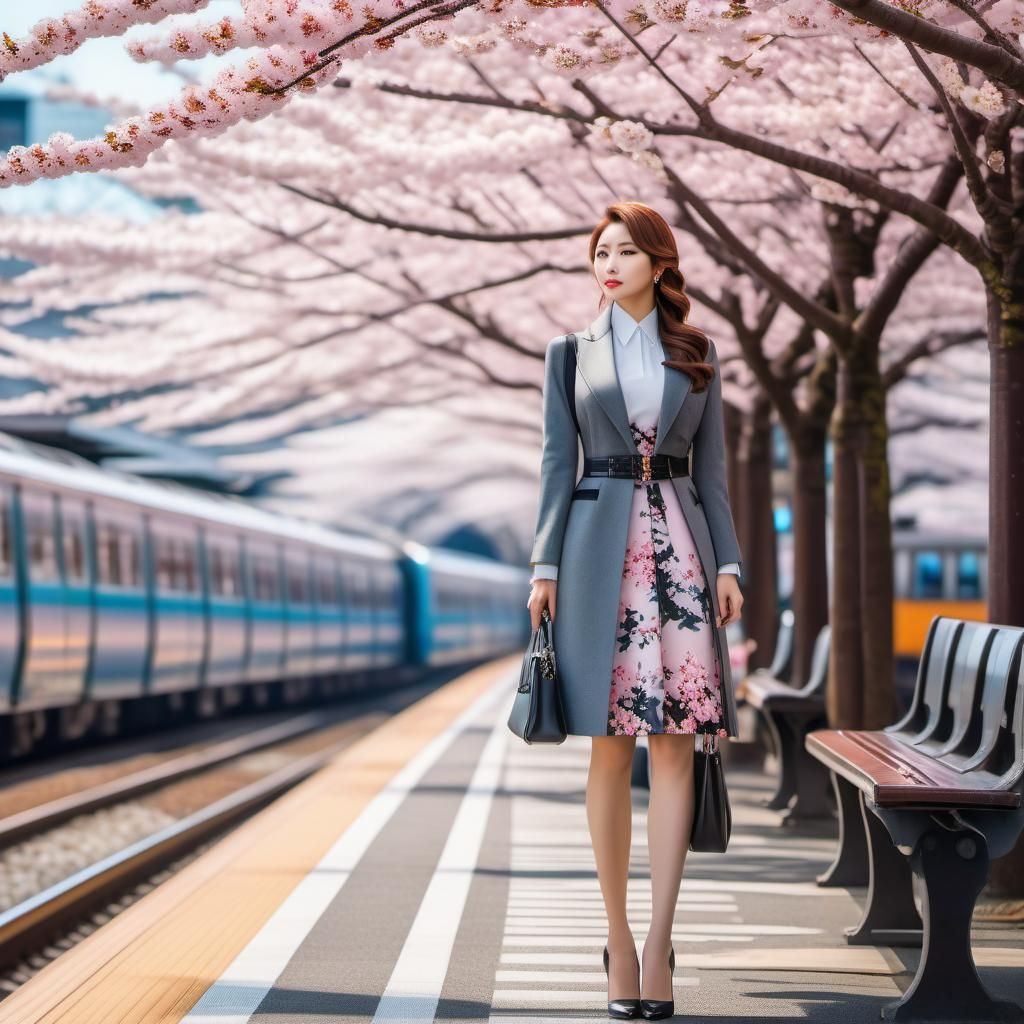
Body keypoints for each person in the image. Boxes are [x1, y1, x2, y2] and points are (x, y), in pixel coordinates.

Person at [525, 201, 744, 1020]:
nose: (607, 264)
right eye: (599, 252)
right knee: (611, 749)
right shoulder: (568, 354)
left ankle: (660, 940)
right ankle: (616, 936)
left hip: (682, 553)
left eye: (623, 252)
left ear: (659, 262)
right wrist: (544, 563)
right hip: (594, 555)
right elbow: (556, 462)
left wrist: (729, 562)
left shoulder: (698, 354)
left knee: (678, 744)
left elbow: (712, 470)